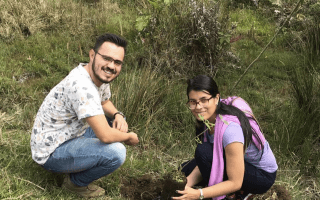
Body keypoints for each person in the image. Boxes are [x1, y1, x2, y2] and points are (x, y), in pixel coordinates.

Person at [30, 33, 139, 198]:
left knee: (113, 121)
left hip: (69, 134)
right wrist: (130, 137)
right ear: (92, 55)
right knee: (117, 152)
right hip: (51, 151)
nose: (111, 66)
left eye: (117, 62)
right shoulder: (82, 86)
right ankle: (75, 184)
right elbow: (105, 136)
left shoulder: (95, 75)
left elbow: (104, 102)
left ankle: (79, 162)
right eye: (107, 58)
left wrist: (118, 114)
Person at [172, 75, 277, 200]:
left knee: (203, 152)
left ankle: (238, 194)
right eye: (193, 102)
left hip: (261, 176)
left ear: (216, 98)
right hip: (234, 162)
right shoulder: (206, 119)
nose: (198, 107)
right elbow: (210, 157)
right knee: (184, 170)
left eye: (204, 100)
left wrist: (199, 194)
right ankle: (217, 188)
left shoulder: (230, 129)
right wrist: (186, 184)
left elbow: (235, 181)